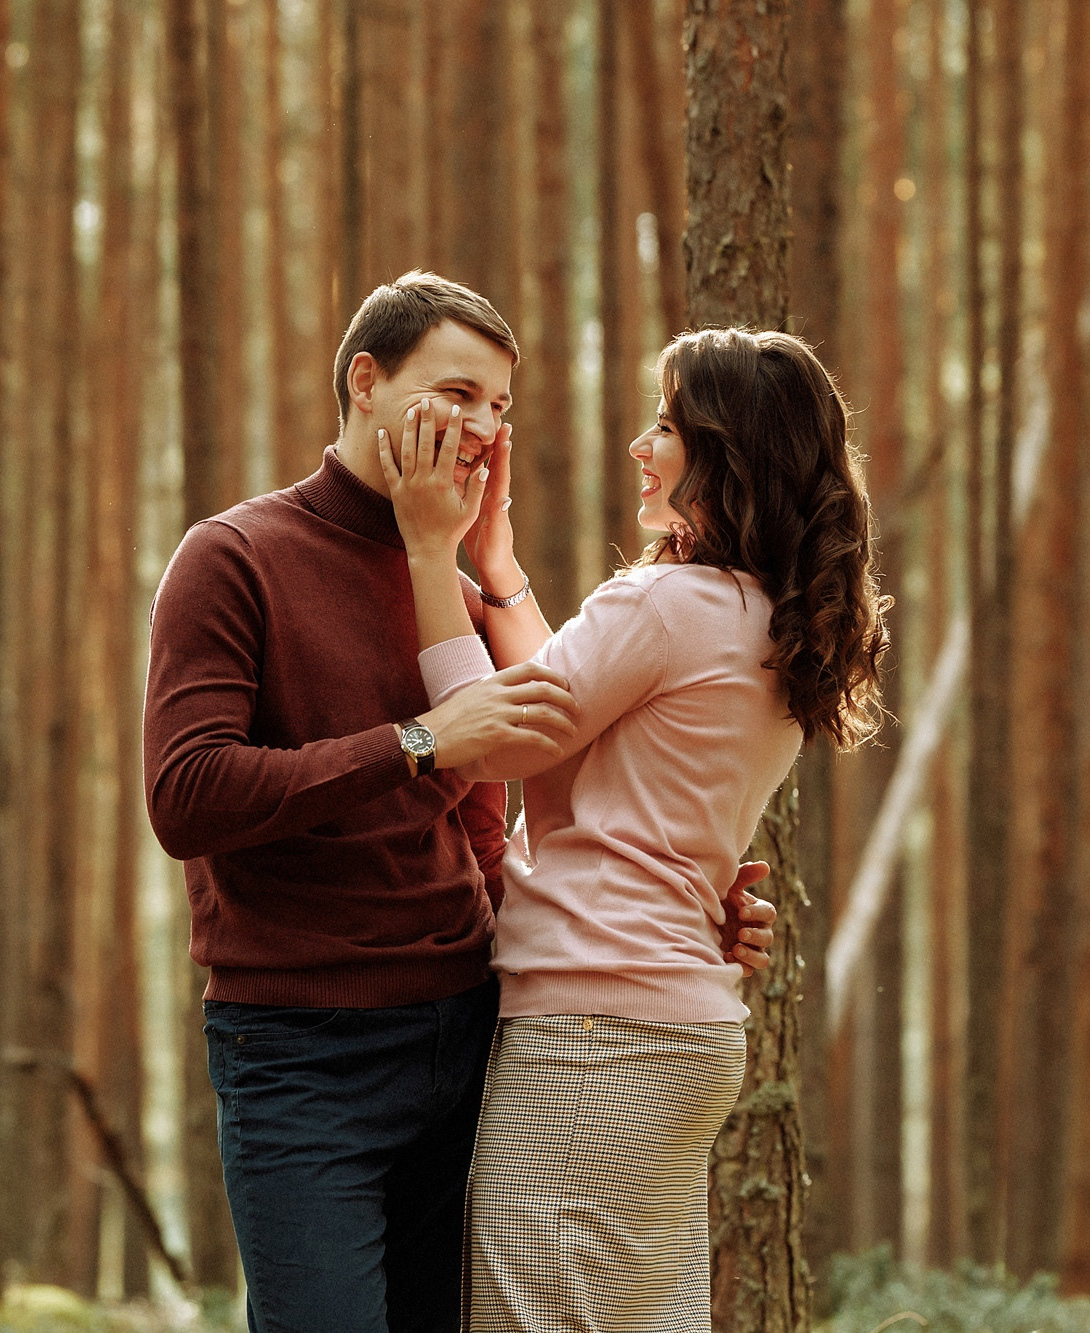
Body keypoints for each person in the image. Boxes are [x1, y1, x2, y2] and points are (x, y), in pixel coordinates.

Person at [141, 272, 777, 1333]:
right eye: (456, 393)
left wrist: (670, 903)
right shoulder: (233, 557)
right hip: (299, 1054)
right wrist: (417, 742)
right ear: (365, 382)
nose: (481, 426)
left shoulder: (464, 596)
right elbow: (186, 794)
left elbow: (494, 830)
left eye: (498, 405)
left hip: (471, 1037)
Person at [378, 324, 890, 1332]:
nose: (639, 445)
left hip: (591, 1032)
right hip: (679, 1032)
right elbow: (565, 700)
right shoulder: (765, 619)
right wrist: (499, 567)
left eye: (665, 425)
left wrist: (430, 551)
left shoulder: (665, 602)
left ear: (725, 454)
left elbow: (493, 740)